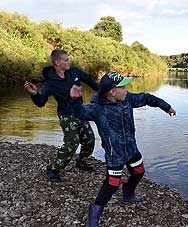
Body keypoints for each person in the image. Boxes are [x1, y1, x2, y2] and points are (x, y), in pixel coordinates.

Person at [69, 71, 176, 227]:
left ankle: (128, 193)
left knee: (139, 172)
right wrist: (75, 99)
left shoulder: (127, 99)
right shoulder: (97, 108)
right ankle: (93, 216)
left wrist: (166, 107)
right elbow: (80, 112)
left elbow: (146, 98)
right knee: (112, 184)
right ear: (113, 91)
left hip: (132, 149)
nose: (127, 90)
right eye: (124, 87)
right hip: (115, 155)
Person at [24, 49, 99, 182]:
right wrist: (34, 93)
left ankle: (80, 161)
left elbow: (90, 81)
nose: (69, 61)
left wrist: (105, 92)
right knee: (72, 143)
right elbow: (41, 102)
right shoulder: (50, 83)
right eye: (66, 60)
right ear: (57, 63)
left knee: (89, 140)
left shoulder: (75, 72)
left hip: (80, 111)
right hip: (66, 115)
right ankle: (53, 169)